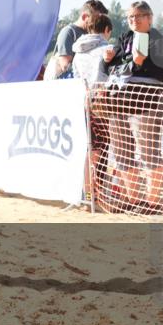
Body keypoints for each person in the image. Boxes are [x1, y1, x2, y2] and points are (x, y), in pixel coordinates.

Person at [103, 1, 163, 213]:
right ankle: (133, 200)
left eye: (138, 16)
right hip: (119, 102)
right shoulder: (124, 38)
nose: (133, 20)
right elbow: (112, 69)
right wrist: (107, 60)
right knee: (122, 151)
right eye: (130, 17)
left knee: (149, 152)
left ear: (149, 18)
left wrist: (144, 63)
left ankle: (152, 203)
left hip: (147, 102)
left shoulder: (160, 41)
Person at [71, 14, 114, 209]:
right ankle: (96, 195)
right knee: (100, 149)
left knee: (88, 148)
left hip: (83, 101)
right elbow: (111, 77)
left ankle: (87, 193)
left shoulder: (78, 52)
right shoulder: (107, 49)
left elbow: (75, 77)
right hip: (100, 102)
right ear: (106, 30)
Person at [44, 0, 108, 80]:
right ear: (84, 17)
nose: (99, 23)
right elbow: (65, 65)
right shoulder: (68, 32)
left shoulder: (92, 35)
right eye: (96, 20)